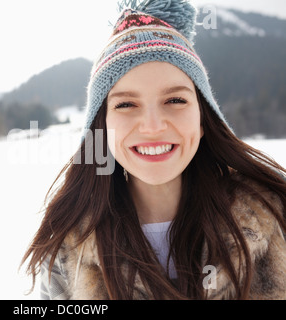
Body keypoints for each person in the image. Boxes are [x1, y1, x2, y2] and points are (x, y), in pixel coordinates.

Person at [21, 0, 286, 300]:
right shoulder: (66, 250)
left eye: (175, 100)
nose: (152, 126)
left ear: (203, 119)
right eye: (125, 104)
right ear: (102, 128)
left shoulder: (276, 219)